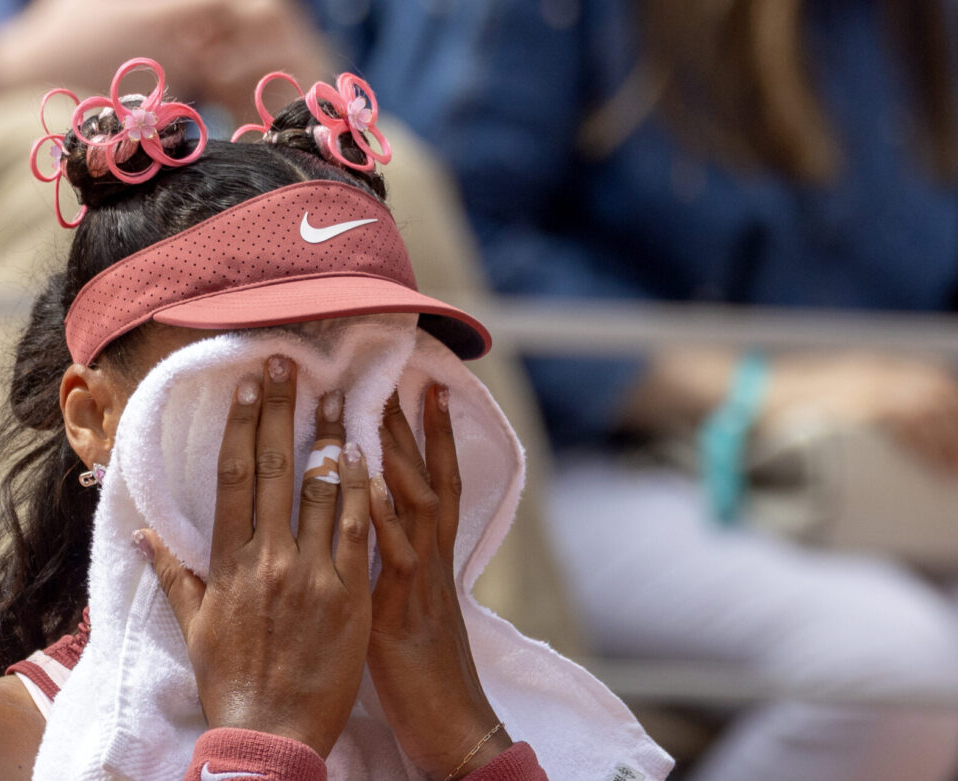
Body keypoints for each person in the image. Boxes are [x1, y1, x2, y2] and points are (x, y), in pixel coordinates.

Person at [0, 61, 562, 780]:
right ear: (94, 415)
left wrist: (471, 746)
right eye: (254, 375)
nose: (328, 437)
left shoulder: (502, 732)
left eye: (378, 372)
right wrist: (263, 742)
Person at [340, 1, 958, 780]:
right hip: (575, 464)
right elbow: (447, 236)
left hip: (880, 476)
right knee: (895, 665)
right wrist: (759, 388)